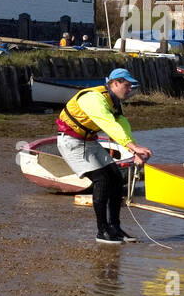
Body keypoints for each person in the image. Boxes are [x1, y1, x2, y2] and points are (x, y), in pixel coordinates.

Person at [56, 69, 153, 245]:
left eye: (131, 86)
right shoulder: (93, 98)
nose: (129, 89)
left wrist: (134, 149)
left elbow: (121, 124)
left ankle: (115, 227)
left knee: (116, 177)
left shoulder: (114, 101)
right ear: (115, 83)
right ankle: (102, 231)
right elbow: (107, 124)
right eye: (127, 85)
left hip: (89, 142)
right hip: (71, 142)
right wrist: (132, 147)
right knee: (102, 180)